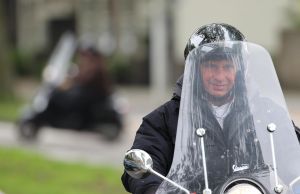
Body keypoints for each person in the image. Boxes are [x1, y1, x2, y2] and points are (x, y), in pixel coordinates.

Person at [121, 23, 300, 194]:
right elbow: (143, 169)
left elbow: (294, 157)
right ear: (194, 69)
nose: (220, 76)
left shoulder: (266, 113)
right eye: (211, 67)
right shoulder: (164, 120)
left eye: (227, 66)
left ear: (239, 69)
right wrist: (153, 189)